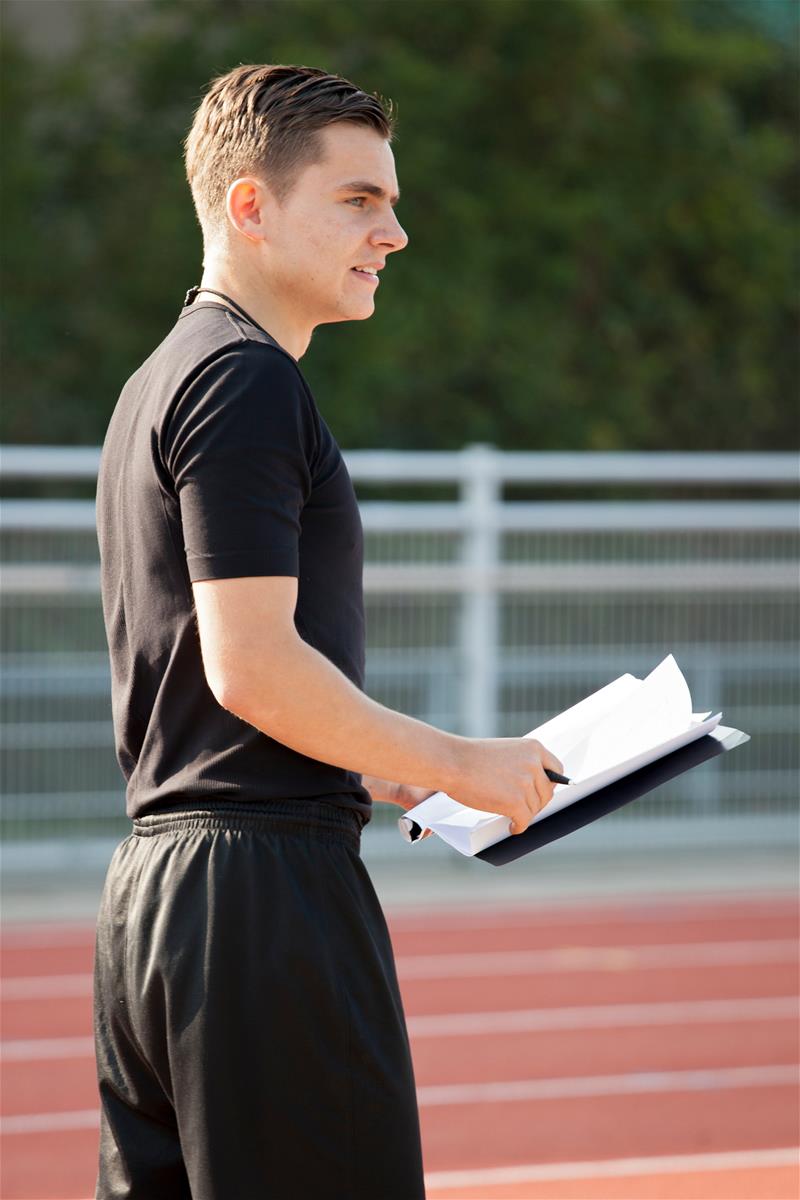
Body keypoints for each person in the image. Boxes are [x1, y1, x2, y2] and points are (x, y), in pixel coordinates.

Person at [93, 63, 563, 1200]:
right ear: (249, 207)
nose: (393, 233)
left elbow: (218, 689)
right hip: (260, 903)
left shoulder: (159, 382)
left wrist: (375, 762)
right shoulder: (244, 381)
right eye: (358, 200)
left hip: (157, 899)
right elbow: (248, 666)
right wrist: (462, 764)